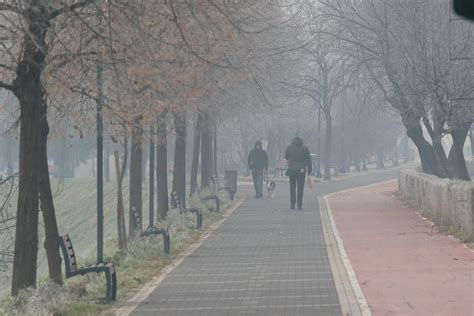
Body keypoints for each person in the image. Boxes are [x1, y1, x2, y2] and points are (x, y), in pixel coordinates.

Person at [285, 137, 312, 210]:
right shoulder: (304, 148)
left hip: (292, 169)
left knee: (292, 187)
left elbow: (286, 156)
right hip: (301, 170)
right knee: (300, 188)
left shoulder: (289, 147)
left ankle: (292, 204)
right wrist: (309, 170)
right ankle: (299, 205)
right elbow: (309, 159)